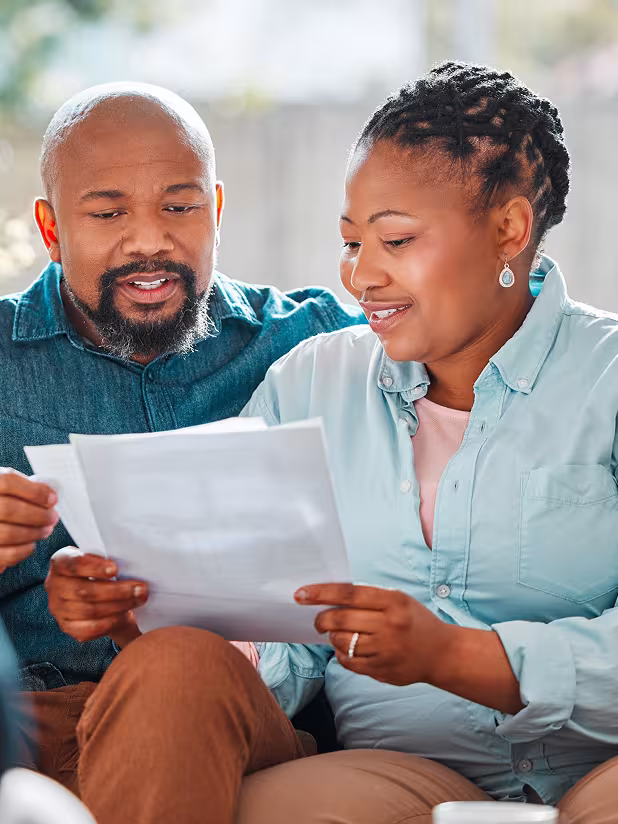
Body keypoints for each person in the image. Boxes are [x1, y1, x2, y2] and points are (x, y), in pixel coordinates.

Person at [234, 61, 618, 823]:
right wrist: (156, 614)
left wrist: (456, 658)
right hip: (394, 773)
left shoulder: (606, 378)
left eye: (396, 240)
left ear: (508, 229)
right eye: (350, 243)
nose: (361, 276)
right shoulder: (307, 387)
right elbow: (283, 640)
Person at [0, 82, 364, 817]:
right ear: (51, 228)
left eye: (179, 206)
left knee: (175, 665)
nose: (148, 241)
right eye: (107, 213)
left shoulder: (315, 343)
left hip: (226, 707)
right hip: (26, 725)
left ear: (217, 210)